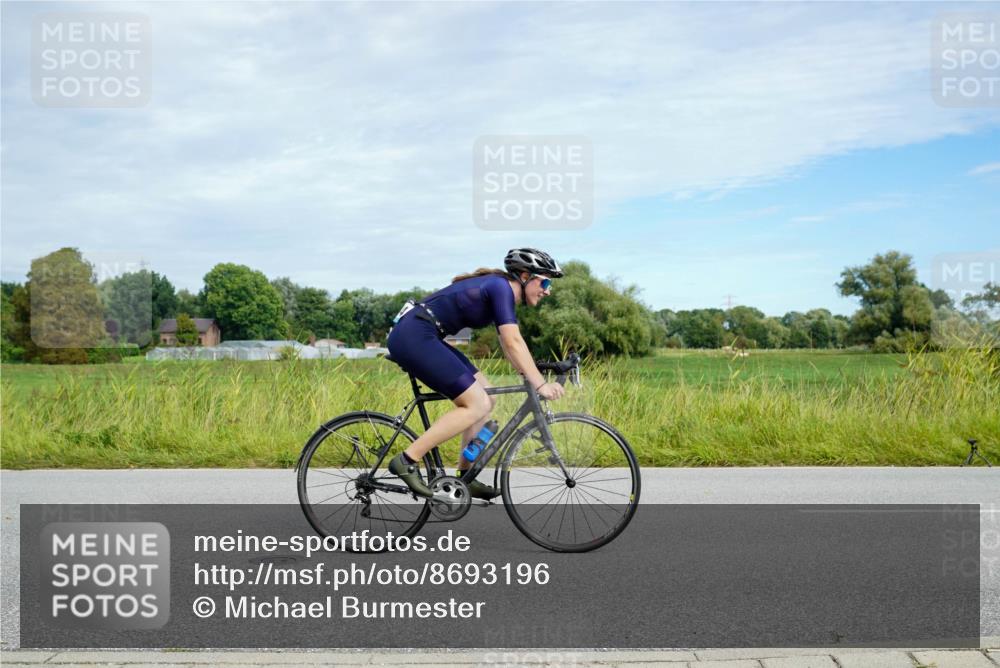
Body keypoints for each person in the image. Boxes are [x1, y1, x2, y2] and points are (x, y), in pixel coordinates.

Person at [385, 248, 566, 499]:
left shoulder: (500, 291)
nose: (547, 290)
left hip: (425, 335)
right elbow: (513, 341)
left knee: (488, 397)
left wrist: (530, 372)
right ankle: (407, 459)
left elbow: (508, 344)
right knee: (476, 403)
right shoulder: (501, 287)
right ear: (525, 276)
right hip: (415, 335)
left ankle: (465, 477)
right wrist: (540, 385)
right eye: (545, 281)